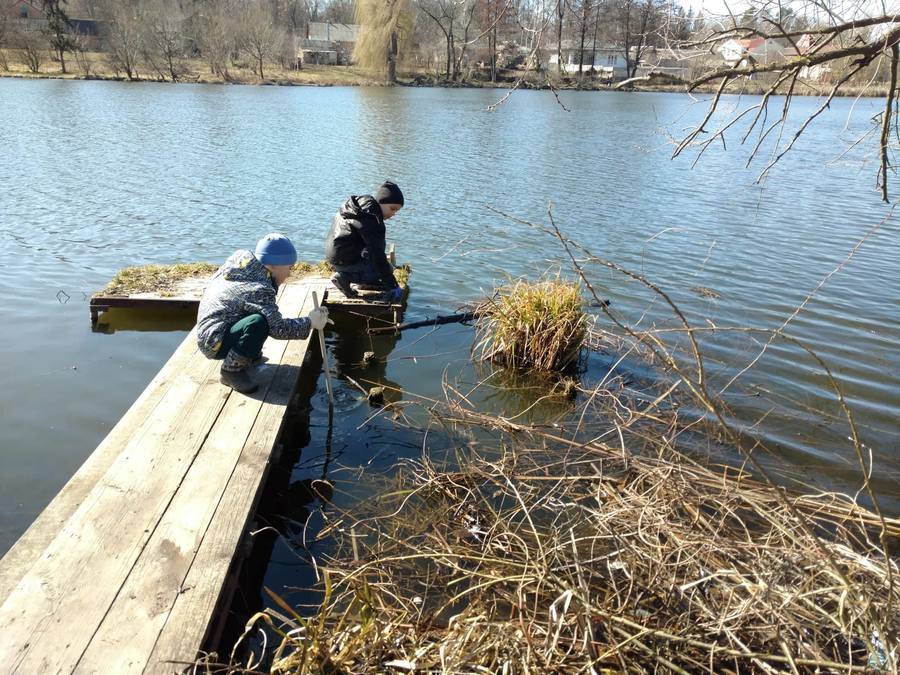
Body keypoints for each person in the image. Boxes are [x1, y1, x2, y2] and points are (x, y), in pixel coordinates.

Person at [197, 233, 331, 395]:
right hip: (214, 343)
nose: (289, 273)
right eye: (288, 267)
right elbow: (278, 329)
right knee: (259, 322)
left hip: (212, 328)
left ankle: (246, 355)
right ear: (272, 266)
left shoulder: (243, 263)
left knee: (259, 318)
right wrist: (310, 322)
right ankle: (231, 372)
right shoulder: (258, 289)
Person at [324, 180, 405, 301]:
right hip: (346, 261)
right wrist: (393, 285)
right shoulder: (372, 218)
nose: (393, 214)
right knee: (387, 268)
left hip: (335, 257)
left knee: (376, 260)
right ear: (381, 202)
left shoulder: (355, 207)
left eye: (396, 211)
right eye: (392, 208)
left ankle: (353, 276)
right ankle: (345, 277)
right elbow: (377, 254)